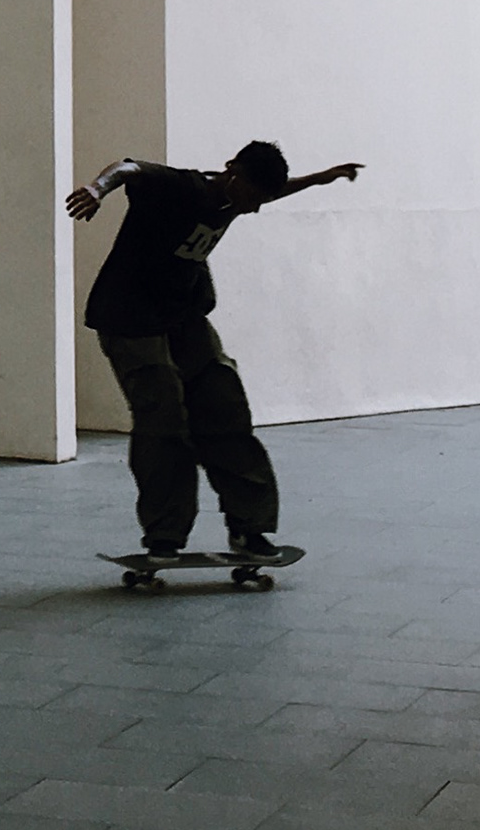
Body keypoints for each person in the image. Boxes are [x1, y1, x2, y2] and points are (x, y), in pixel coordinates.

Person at [65, 145, 362, 556]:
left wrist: (319, 177)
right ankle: (164, 535)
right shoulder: (181, 187)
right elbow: (128, 168)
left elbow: (273, 191)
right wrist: (97, 189)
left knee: (225, 406)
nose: (254, 210)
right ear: (234, 175)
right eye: (253, 199)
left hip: (184, 316)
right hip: (129, 317)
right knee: (164, 419)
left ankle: (249, 528)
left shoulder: (239, 194)